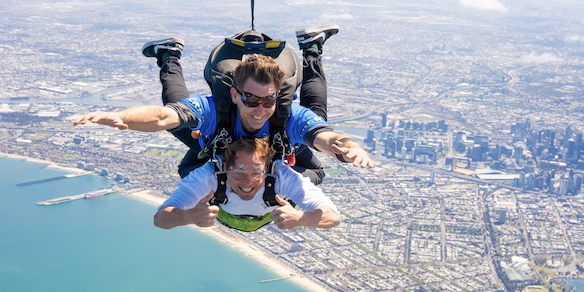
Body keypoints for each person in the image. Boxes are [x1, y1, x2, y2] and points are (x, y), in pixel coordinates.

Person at [72, 26, 372, 177]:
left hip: (269, 151)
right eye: (251, 98)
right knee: (179, 116)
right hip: (218, 142)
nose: (260, 109)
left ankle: (311, 49)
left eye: (269, 100)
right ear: (233, 94)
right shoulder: (216, 109)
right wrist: (121, 117)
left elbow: (326, 137)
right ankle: (168, 55)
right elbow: (162, 117)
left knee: (315, 118)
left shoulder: (286, 113)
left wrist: (346, 148)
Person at [154, 136, 340, 232]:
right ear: (225, 168)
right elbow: (160, 219)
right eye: (239, 172)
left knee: (193, 157)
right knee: (317, 173)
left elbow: (333, 217)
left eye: (255, 172)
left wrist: (302, 218)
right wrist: (188, 216)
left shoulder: (281, 176)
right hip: (241, 200)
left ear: (267, 169)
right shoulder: (209, 175)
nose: (247, 182)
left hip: (241, 203)